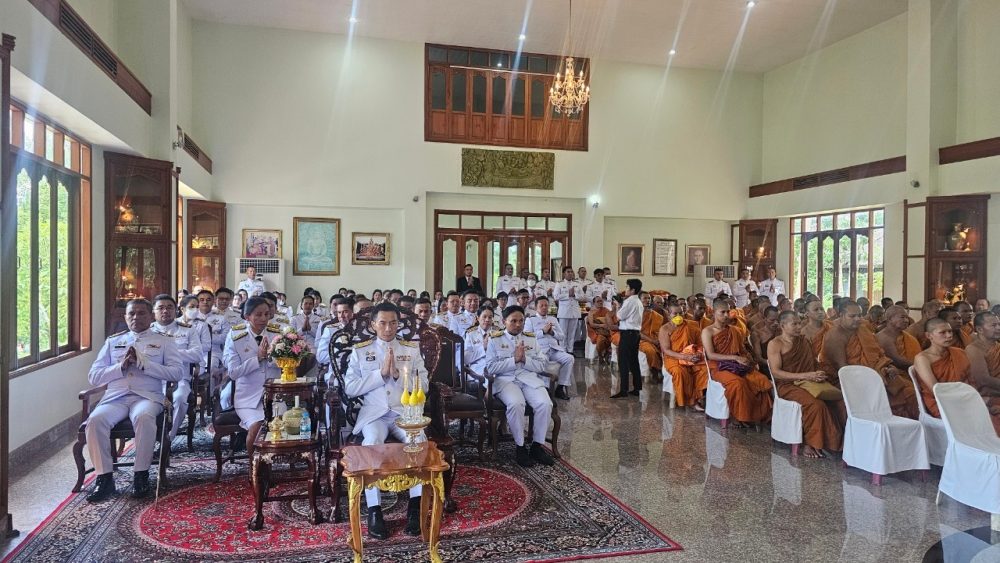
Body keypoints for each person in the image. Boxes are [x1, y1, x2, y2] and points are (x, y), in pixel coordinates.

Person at [84, 299, 185, 502]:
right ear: (125, 317)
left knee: (144, 417)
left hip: (147, 396)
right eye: (131, 313)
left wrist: (145, 365)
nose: (136, 317)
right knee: (95, 420)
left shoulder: (164, 341)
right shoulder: (113, 341)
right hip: (116, 397)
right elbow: (94, 376)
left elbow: (176, 373)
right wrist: (120, 367)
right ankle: (104, 478)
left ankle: (141, 475)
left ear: (151, 316)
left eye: (141, 313)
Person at [344, 303, 427, 539]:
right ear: (373, 325)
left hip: (404, 413)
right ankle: (374, 509)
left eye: (393, 323)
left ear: (398, 324)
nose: (388, 328)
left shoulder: (411, 349)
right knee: (371, 442)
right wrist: (379, 374)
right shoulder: (360, 351)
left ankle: (415, 506)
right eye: (383, 323)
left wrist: (399, 375)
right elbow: (350, 388)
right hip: (375, 415)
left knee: (418, 440)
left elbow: (424, 386)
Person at [821, 301, 918, 419]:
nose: (857, 319)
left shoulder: (863, 330)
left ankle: (914, 428)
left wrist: (889, 367)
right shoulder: (835, 336)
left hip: (879, 374)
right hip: (852, 381)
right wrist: (873, 377)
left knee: (911, 393)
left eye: (859, 315)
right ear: (841, 315)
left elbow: (879, 355)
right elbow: (843, 369)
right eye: (852, 316)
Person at [485, 305, 556, 467]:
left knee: (545, 404)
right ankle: (520, 447)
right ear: (504, 321)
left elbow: (542, 365)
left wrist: (525, 360)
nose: (518, 324)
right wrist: (514, 360)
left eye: (521, 321)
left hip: (528, 379)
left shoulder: (531, 338)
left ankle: (537, 446)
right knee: (516, 403)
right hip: (506, 381)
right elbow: (491, 367)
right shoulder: (495, 339)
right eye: (513, 321)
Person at [767, 311, 845, 458]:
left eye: (799, 323)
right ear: (783, 326)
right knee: (816, 405)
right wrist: (805, 375)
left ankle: (839, 442)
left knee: (839, 400)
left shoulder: (804, 341)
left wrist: (818, 374)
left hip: (809, 382)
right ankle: (810, 443)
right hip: (788, 385)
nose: (799, 327)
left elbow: (813, 363)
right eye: (794, 324)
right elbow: (776, 373)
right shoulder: (775, 344)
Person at [223, 297, 282, 454]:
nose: (263, 319)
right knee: (257, 426)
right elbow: (233, 372)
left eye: (266, 314)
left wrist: (270, 356)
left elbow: (286, 364)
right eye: (258, 315)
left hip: (275, 395)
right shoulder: (236, 336)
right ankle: (254, 464)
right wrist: (258, 358)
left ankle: (275, 460)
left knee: (288, 424)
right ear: (247, 316)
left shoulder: (277, 334)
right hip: (248, 398)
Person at [702, 298, 773, 425]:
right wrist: (734, 358)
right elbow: (711, 355)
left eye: (728, 312)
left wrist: (749, 360)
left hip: (737, 365)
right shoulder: (708, 331)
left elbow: (741, 350)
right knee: (738, 383)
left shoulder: (735, 330)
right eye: (722, 312)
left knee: (761, 379)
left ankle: (759, 415)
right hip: (718, 367)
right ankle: (740, 417)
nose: (726, 315)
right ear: (713, 312)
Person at [151, 294, 210, 441]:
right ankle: (153, 436)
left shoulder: (188, 330)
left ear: (176, 309)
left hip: (180, 379)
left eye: (169, 307)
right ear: (154, 311)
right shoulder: (148, 331)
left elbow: (197, 354)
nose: (165, 311)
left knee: (180, 399)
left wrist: (171, 353)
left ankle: (168, 438)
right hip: (153, 380)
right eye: (161, 308)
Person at [913, 317, 971, 418]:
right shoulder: (922, 358)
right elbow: (935, 389)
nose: (949, 335)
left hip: (963, 396)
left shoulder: (959, 353)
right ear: (929, 335)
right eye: (942, 332)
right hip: (940, 402)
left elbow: (969, 379)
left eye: (950, 331)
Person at [658, 302, 708, 410]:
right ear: (669, 314)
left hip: (692, 356)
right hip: (673, 358)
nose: (678, 316)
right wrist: (685, 357)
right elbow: (666, 350)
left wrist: (698, 353)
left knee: (704, 370)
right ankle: (691, 402)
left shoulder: (692, 325)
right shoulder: (665, 329)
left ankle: (698, 397)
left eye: (681, 313)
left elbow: (700, 344)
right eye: (675, 314)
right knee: (680, 372)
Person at [526, 296, 574, 400]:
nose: (544, 308)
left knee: (569, 358)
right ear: (536, 307)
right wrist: (542, 332)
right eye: (541, 306)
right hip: (541, 350)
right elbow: (527, 336)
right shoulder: (530, 320)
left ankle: (560, 387)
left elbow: (562, 336)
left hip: (555, 350)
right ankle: (546, 389)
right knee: (543, 360)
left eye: (546, 305)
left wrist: (552, 333)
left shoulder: (553, 319)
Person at [966, 311, 1000, 434]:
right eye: (993, 325)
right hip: (989, 395)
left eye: (999, 324)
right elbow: (983, 379)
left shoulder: (997, 346)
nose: (998, 328)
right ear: (980, 329)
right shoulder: (973, 349)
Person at [611, 279, 644, 399]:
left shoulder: (630, 301)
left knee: (623, 362)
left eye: (627, 287)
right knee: (633, 361)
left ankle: (623, 390)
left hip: (628, 334)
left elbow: (619, 316)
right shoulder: (638, 301)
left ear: (632, 290)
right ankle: (637, 388)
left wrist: (617, 306)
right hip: (635, 334)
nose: (625, 290)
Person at [876, 305, 921, 370]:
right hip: (895, 372)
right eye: (902, 317)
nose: (906, 320)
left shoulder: (906, 336)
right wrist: (921, 366)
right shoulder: (884, 337)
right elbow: (897, 361)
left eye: (907, 317)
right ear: (890, 319)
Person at [553, 266, 584, 355]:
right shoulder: (559, 284)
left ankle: (570, 350)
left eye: (571, 272)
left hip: (574, 311)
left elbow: (582, 297)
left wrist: (574, 295)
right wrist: (568, 295)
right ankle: (563, 350)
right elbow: (556, 296)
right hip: (564, 312)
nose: (570, 273)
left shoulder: (577, 284)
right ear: (564, 273)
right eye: (568, 272)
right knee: (563, 332)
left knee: (572, 333)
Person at [464, 306, 495, 375]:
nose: (487, 320)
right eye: (484, 317)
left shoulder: (498, 333)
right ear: (478, 318)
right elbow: (466, 359)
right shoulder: (471, 334)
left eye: (490, 317)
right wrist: (483, 348)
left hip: (495, 368)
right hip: (477, 370)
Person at [586, 295, 612, 363]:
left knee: (612, 338)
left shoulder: (606, 310)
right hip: (595, 331)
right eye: (598, 301)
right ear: (594, 303)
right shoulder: (591, 312)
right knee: (601, 339)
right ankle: (600, 355)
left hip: (607, 330)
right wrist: (601, 325)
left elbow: (611, 320)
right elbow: (591, 324)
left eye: (601, 301)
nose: (600, 302)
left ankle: (606, 353)